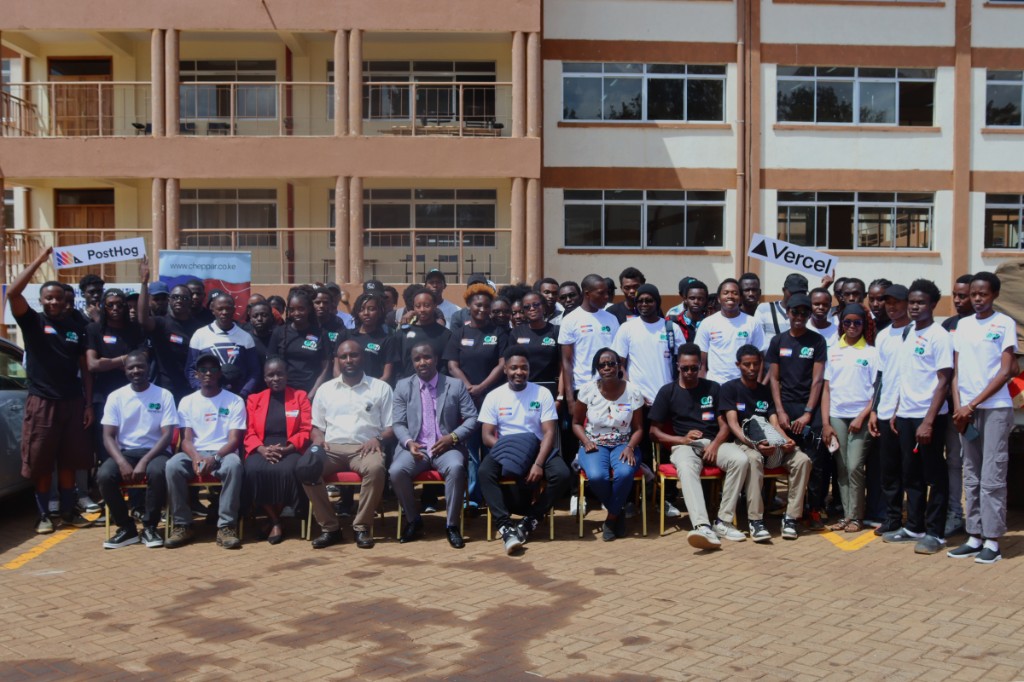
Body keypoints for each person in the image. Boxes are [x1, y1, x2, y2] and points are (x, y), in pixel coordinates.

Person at [10, 247, 95, 533]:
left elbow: (85, 368)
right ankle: (44, 514)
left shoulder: (75, 328)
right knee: (42, 461)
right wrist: (39, 262)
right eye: (49, 297)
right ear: (42, 300)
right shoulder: (32, 321)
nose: (54, 302)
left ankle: (69, 512)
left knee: (70, 459)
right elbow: (12, 292)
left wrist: (87, 404)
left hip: (72, 402)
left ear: (65, 300)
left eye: (58, 297)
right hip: (42, 401)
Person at [649, 344, 751, 548]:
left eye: (693, 368)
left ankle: (723, 521)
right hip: (684, 445)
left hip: (714, 442)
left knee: (741, 460)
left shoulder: (713, 388)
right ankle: (702, 525)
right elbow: (653, 432)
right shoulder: (667, 391)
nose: (689, 372)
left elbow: (725, 426)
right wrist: (682, 440)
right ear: (678, 365)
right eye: (685, 368)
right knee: (686, 468)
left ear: (700, 366)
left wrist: (714, 445)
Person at [948, 272, 1018, 564]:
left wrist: (972, 404)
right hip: (966, 411)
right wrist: (959, 409)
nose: (977, 299)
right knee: (971, 474)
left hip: (994, 409)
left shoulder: (1004, 324)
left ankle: (993, 540)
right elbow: (957, 371)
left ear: (995, 296)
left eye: (983, 294)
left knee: (992, 476)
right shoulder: (962, 325)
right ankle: (974, 535)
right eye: (973, 294)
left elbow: (1006, 371)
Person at [298, 340, 393, 550]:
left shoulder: (380, 388)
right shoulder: (326, 389)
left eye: (354, 355)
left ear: (363, 358)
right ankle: (331, 528)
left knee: (376, 468)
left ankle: (361, 527)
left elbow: (391, 426)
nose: (349, 360)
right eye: (343, 356)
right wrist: (318, 439)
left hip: (365, 448)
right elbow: (316, 426)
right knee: (306, 468)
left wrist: (378, 438)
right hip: (331, 449)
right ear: (337, 360)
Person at [881, 279, 953, 555]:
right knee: (911, 474)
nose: (914, 306)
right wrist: (897, 410)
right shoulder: (909, 332)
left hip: (928, 417)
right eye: (911, 301)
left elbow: (944, 381)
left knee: (934, 475)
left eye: (920, 302)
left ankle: (935, 533)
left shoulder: (940, 336)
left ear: (933, 305)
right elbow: (905, 375)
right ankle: (914, 527)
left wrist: (929, 421)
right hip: (906, 414)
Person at [478, 345, 569, 555]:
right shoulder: (494, 396)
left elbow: (548, 433)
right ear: (505, 369)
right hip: (505, 448)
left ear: (529, 369)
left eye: (524, 368)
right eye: (514, 368)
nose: (519, 372)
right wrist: (510, 452)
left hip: (537, 448)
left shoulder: (543, 393)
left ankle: (531, 520)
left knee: (562, 474)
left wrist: (537, 463)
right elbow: (487, 436)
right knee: (484, 472)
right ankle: (506, 526)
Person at [390, 342, 478, 549]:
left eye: (427, 357)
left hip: (446, 447)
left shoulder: (454, 385)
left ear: (436, 359)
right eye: (417, 359)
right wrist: (409, 442)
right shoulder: (403, 386)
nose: (423, 362)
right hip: (415, 448)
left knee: (456, 468)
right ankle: (414, 521)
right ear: (412, 363)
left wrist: (453, 438)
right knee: (396, 471)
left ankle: (452, 525)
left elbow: (472, 418)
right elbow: (398, 423)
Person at [719, 344, 811, 541]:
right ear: (738, 365)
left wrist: (786, 440)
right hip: (743, 442)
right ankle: (756, 520)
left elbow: (775, 422)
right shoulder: (729, 389)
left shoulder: (765, 391)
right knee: (753, 459)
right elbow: (733, 424)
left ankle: (791, 518)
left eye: (755, 364)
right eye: (747, 365)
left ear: (761, 364)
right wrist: (754, 445)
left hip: (771, 443)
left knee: (802, 460)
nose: (751, 369)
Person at [164, 352, 247, 549]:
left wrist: (215, 457)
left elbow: (235, 440)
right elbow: (186, 439)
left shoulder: (234, 401)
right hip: (196, 452)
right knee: (172, 465)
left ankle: (226, 527)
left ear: (219, 374)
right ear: (196, 375)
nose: (208, 373)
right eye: (203, 370)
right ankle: (183, 525)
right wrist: (196, 457)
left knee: (234, 465)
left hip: (223, 453)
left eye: (212, 369)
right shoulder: (187, 401)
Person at [96, 349, 177, 549]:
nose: (136, 370)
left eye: (140, 366)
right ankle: (126, 528)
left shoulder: (163, 395)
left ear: (148, 368)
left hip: (156, 451)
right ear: (125, 370)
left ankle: (150, 526)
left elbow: (167, 435)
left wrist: (144, 460)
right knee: (104, 475)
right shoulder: (116, 397)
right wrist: (122, 462)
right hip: (126, 452)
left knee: (157, 472)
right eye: (131, 367)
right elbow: (107, 435)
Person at [766, 293, 828, 529]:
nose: (799, 317)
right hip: (785, 407)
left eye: (804, 313)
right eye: (795, 312)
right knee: (786, 457)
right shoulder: (778, 341)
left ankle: (812, 509)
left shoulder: (817, 341)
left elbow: (818, 380)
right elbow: (774, 379)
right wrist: (780, 412)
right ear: (787, 313)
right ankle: (790, 508)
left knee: (815, 461)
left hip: (809, 409)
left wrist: (808, 414)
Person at [445, 283, 509, 511]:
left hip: (493, 399)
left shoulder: (499, 332)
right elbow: (452, 364)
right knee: (472, 452)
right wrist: (469, 386)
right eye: (477, 305)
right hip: (467, 401)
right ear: (469, 306)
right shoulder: (459, 332)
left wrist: (482, 386)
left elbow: (503, 364)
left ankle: (493, 496)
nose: (482, 309)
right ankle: (473, 497)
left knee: (493, 448)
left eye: (486, 305)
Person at [571, 349, 644, 541]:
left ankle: (611, 518)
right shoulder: (588, 390)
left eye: (611, 363)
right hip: (594, 443)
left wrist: (630, 447)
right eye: (602, 365)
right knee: (596, 477)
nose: (607, 368)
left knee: (625, 473)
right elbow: (576, 423)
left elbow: (639, 428)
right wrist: (586, 442)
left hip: (624, 443)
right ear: (597, 368)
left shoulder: (633, 391)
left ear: (619, 366)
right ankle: (617, 513)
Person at [820, 305, 878, 532]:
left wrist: (862, 416)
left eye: (857, 323)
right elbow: (826, 389)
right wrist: (825, 423)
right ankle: (847, 515)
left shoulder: (871, 352)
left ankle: (857, 517)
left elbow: (876, 390)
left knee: (855, 466)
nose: (852, 327)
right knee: (842, 467)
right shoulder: (833, 350)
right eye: (847, 322)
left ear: (864, 325)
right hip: (837, 417)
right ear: (841, 324)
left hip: (860, 418)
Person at [243, 357, 311, 545]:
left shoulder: (300, 397)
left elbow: (305, 429)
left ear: (287, 375)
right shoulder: (254, 399)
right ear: (264, 379)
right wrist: (262, 449)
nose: (276, 378)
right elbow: (249, 431)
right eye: (270, 375)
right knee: (252, 470)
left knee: (288, 470)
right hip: (262, 447)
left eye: (279, 374)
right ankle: (275, 520)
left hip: (290, 447)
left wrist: (288, 448)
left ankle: (274, 519)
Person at [868, 284, 913, 535]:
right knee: (889, 471)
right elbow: (881, 376)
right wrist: (875, 410)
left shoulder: (915, 332)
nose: (892, 306)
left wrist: (898, 406)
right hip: (885, 413)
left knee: (911, 470)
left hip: (907, 413)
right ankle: (892, 518)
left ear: (908, 302)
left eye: (897, 301)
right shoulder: (883, 335)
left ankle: (915, 521)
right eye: (888, 302)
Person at [86, 288, 147, 460]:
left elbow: (142, 358)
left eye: (120, 305)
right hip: (103, 395)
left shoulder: (136, 330)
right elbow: (92, 365)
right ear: (103, 307)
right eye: (110, 305)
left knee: (131, 439)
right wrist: (124, 359)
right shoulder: (94, 329)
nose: (115, 308)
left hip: (133, 396)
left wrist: (107, 362)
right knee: (105, 442)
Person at [940, 273, 975, 537]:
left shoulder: (988, 325)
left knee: (974, 463)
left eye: (964, 295)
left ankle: (976, 515)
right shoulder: (947, 326)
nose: (959, 300)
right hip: (949, 408)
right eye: (956, 295)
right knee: (953, 461)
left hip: (976, 408)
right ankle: (954, 512)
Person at [613, 283, 684, 406]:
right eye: (640, 301)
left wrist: (676, 392)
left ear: (657, 302)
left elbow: (683, 364)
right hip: (637, 399)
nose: (644, 304)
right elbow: (620, 365)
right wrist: (632, 392)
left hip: (667, 398)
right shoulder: (627, 328)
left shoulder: (672, 328)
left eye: (649, 300)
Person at [559, 274, 620, 415]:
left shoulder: (612, 319)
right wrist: (569, 399)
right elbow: (566, 362)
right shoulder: (570, 320)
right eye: (601, 293)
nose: (606, 297)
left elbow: (618, 357)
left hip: (610, 387)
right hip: (583, 388)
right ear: (587, 294)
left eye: (607, 293)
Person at [186, 293, 260, 398]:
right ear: (213, 310)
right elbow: (190, 369)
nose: (224, 312)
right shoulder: (200, 335)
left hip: (237, 397)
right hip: (208, 397)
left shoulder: (245, 337)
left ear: (234, 309)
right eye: (220, 309)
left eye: (228, 309)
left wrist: (244, 393)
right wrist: (202, 390)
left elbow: (254, 371)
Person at [695, 279, 765, 385]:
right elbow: (701, 362)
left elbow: (760, 358)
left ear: (740, 298)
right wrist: (703, 387)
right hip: (715, 384)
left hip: (744, 385)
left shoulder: (752, 322)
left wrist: (757, 384)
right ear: (719, 298)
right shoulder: (707, 323)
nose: (730, 296)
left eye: (735, 293)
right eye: (726, 293)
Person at [268, 290, 330, 398]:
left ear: (309, 309)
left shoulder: (321, 334)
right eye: (292, 310)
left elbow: (326, 367)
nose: (296, 313)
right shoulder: (279, 332)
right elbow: (270, 364)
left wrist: (312, 393)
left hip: (312, 392)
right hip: (285, 393)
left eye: (301, 309)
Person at [395, 286, 452, 380]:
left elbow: (446, 367)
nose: (422, 309)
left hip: (437, 388)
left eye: (427, 305)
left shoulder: (445, 334)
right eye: (418, 306)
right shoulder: (403, 333)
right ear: (413, 307)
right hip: (408, 387)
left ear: (435, 305)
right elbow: (397, 365)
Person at [510, 290, 561, 393]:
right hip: (522, 388)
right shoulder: (516, 333)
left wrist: (560, 396)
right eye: (527, 307)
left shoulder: (556, 331)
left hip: (549, 388)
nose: (532, 309)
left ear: (544, 307)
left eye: (536, 305)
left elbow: (563, 367)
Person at [346, 292, 396, 383]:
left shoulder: (387, 340)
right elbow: (337, 369)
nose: (366, 313)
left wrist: (370, 389)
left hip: (374, 391)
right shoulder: (347, 336)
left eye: (371, 309)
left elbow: (387, 375)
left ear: (379, 312)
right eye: (362, 309)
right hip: (348, 390)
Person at [755, 273, 807, 343]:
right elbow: (756, 339)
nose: (797, 296)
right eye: (793, 292)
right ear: (783, 290)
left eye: (801, 293)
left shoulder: (807, 313)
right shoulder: (764, 309)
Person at [312, 286, 348, 355]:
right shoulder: (307, 322)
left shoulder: (338, 323)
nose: (321, 305)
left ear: (331, 304)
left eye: (325, 302)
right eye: (317, 302)